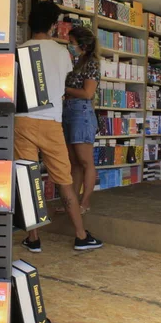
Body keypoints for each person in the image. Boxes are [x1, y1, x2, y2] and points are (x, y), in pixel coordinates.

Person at [15, 1, 103, 252]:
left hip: (23, 121)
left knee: (29, 177)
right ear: (54, 25)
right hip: (52, 121)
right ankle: (80, 234)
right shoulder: (62, 53)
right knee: (64, 179)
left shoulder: (20, 51)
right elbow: (63, 81)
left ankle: (33, 238)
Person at [62, 26, 100, 214]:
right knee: (73, 162)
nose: (69, 46)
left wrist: (65, 89)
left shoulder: (91, 63)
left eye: (72, 43)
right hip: (69, 111)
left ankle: (85, 202)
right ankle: (74, 204)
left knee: (85, 162)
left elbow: (87, 93)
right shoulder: (76, 62)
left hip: (81, 113)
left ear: (82, 45)